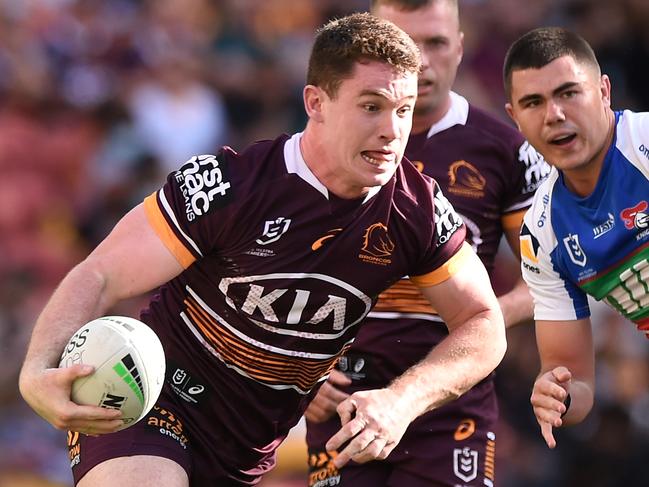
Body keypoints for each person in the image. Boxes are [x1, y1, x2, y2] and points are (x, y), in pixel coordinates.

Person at [18, 13, 507, 487]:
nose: (392, 130)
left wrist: (403, 399)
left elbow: (483, 324)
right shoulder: (228, 186)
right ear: (316, 102)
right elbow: (100, 273)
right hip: (153, 403)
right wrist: (37, 371)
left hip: (248, 455)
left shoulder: (416, 210)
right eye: (371, 106)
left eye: (403, 110)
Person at [304, 1, 549, 486]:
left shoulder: (507, 151)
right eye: (402, 43)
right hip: (340, 401)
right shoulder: (322, 143)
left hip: (451, 404)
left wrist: (472, 327)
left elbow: (548, 281)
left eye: (435, 43)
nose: (420, 61)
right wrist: (295, 374)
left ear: (460, 45)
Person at [504, 26, 649, 450]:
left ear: (604, 91)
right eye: (534, 102)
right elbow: (574, 377)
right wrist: (559, 396)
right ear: (515, 117)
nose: (554, 114)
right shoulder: (543, 233)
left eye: (569, 93)